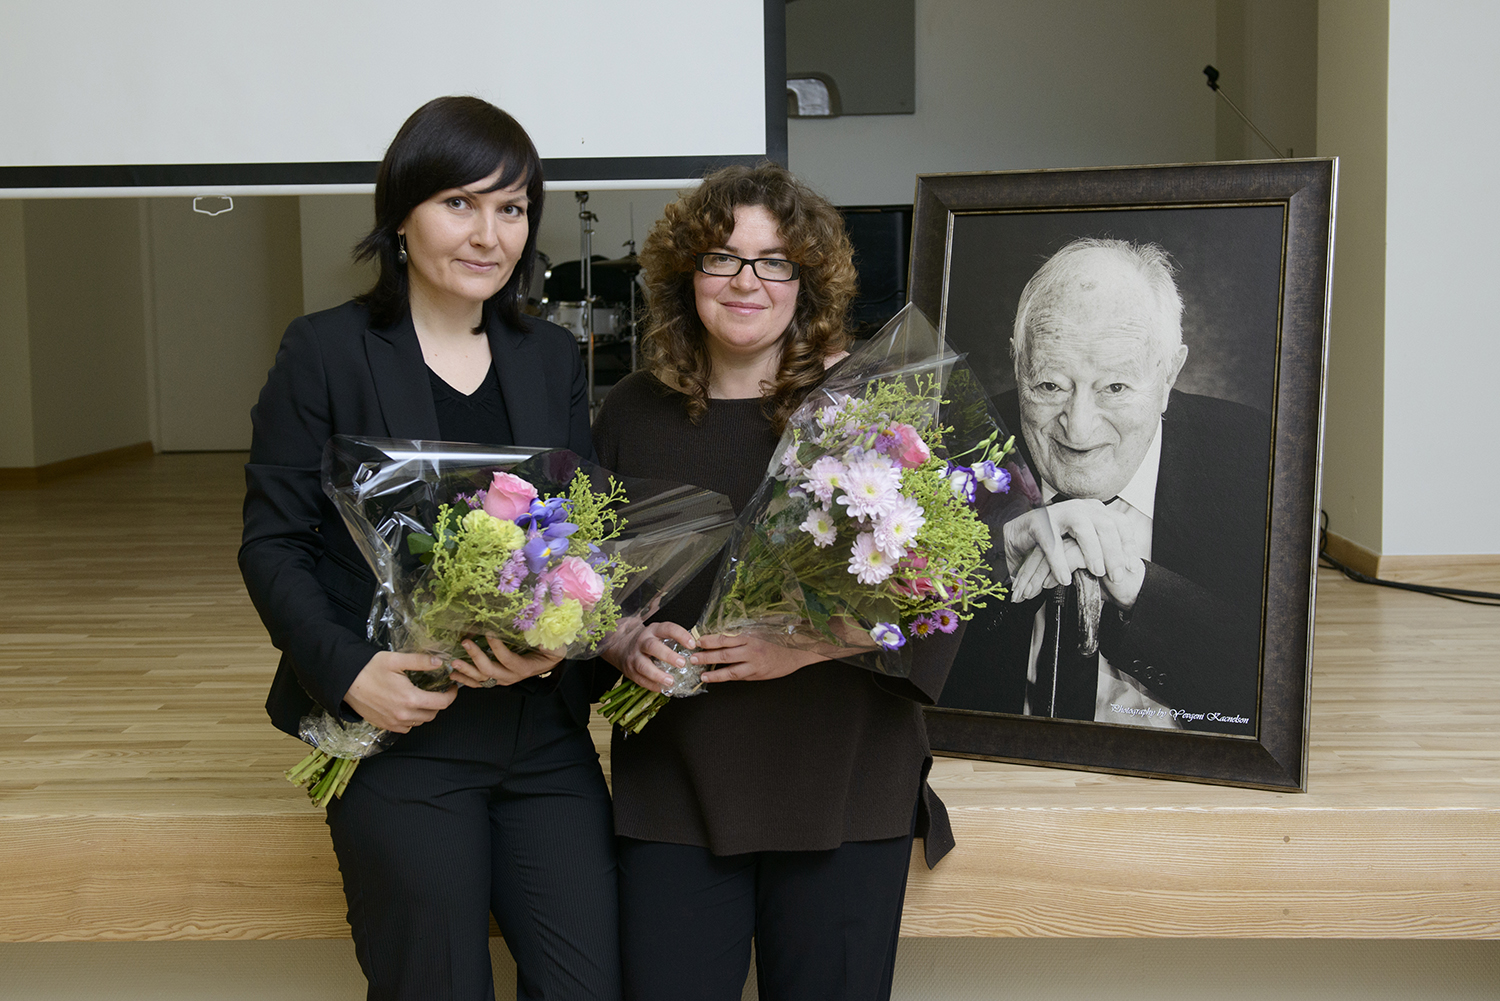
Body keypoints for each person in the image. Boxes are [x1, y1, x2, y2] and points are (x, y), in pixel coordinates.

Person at [239, 97, 620, 1001]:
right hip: (399, 729)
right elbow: (273, 544)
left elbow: (583, 534)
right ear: (401, 215)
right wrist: (349, 672)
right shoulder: (325, 350)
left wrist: (561, 636)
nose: (490, 234)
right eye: (459, 203)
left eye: (512, 208)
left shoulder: (549, 356)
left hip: (539, 732)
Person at [591, 163, 961, 1001]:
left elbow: (941, 600)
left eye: (774, 261)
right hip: (675, 790)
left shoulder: (871, 408)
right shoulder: (631, 411)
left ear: (807, 279)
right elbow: (588, 584)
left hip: (844, 784)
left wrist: (798, 644)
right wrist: (621, 640)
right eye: (721, 257)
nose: (745, 280)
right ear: (686, 273)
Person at [937, 237, 1270, 735]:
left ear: (1168, 375)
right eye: (1050, 385)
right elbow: (907, 675)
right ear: (1018, 364)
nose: (1078, 429)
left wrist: (1138, 590)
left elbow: (1268, 687)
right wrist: (993, 559)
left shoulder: (1260, 461)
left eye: (1114, 387)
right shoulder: (954, 447)